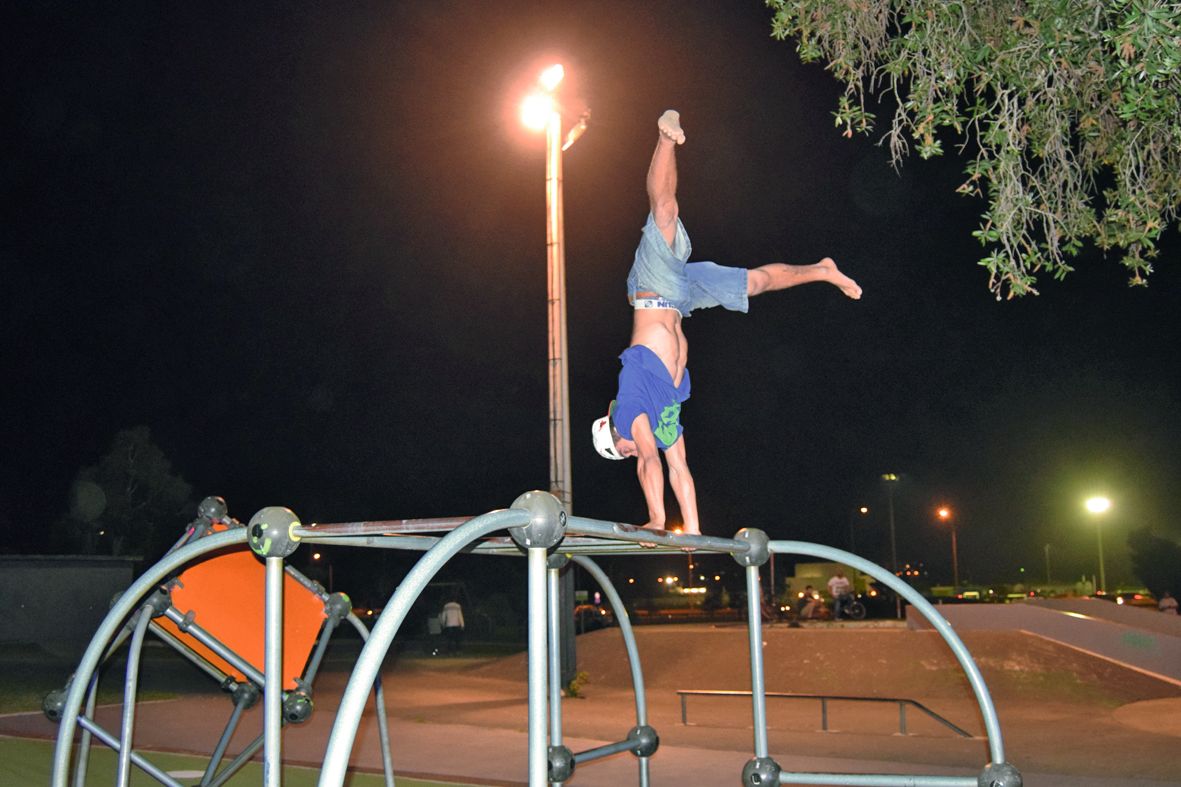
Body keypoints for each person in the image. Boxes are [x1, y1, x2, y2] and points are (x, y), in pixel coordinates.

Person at [591, 110, 861, 535]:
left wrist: (658, 520)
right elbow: (678, 466)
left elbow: (647, 462)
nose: (629, 451)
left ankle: (664, 137)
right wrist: (693, 531)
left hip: (651, 287)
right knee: (755, 283)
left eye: (619, 451)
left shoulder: (627, 414)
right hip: (680, 299)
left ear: (613, 434)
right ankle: (822, 270)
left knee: (664, 212)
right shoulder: (664, 420)